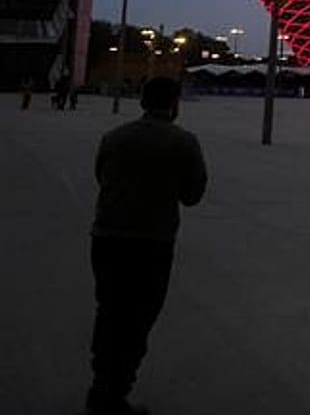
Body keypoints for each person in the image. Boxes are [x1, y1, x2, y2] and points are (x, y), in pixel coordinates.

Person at [84, 76, 208, 415]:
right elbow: (193, 195)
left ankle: (101, 387)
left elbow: (101, 177)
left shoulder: (114, 137)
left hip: (107, 238)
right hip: (152, 242)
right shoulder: (184, 142)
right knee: (138, 319)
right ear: (175, 104)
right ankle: (114, 394)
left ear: (141, 101)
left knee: (109, 312)